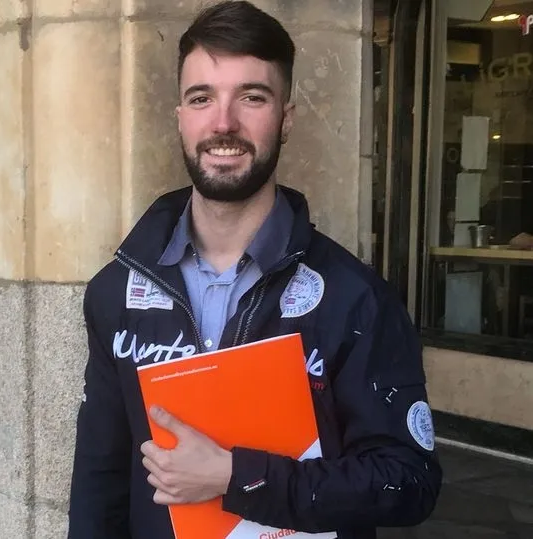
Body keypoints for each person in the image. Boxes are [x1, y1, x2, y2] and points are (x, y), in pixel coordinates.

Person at [67, 2, 442, 538]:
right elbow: (100, 478)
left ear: (285, 118)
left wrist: (235, 476)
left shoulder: (354, 299)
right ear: (180, 115)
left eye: (252, 97)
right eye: (202, 98)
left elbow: (409, 481)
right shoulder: (117, 293)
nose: (223, 122)